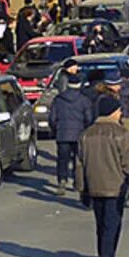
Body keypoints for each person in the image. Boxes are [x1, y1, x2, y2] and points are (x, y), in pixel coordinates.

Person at [76, 95, 129, 257]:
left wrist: (81, 188)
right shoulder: (122, 134)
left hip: (93, 186)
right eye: (119, 110)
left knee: (101, 226)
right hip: (115, 187)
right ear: (113, 112)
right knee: (112, 225)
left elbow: (80, 164)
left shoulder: (86, 134)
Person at [48, 67, 94, 195]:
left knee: (62, 159)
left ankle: (62, 181)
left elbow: (52, 118)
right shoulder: (84, 100)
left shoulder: (58, 99)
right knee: (78, 160)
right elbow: (89, 118)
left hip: (62, 133)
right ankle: (77, 182)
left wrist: (55, 129)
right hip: (79, 133)